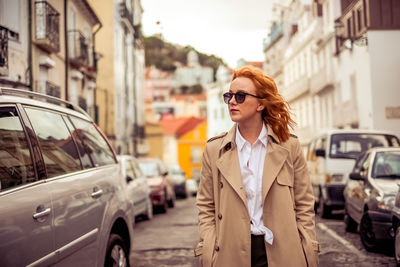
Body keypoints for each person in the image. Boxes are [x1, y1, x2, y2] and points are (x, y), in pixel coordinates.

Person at [195, 65, 319, 267]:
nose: (232, 102)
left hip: (284, 253)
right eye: (229, 96)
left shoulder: (289, 146)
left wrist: (306, 244)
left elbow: (304, 203)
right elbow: (206, 205)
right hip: (230, 253)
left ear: (261, 104)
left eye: (241, 96)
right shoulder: (214, 150)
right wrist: (210, 247)